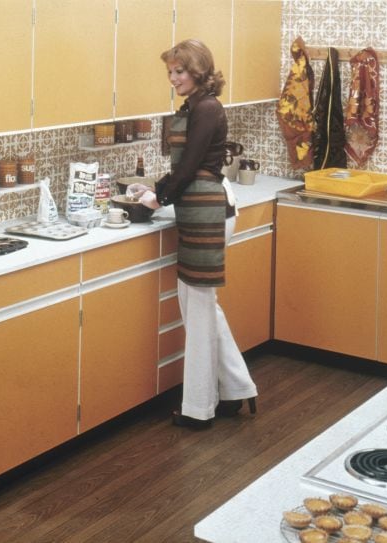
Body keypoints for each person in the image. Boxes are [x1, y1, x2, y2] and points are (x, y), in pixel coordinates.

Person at [127, 39, 257, 429]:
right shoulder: (196, 105)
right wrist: (155, 188)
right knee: (204, 307)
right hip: (203, 209)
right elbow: (185, 167)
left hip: (210, 212)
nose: (173, 78)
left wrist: (157, 197)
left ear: (198, 70)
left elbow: (189, 169)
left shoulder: (207, 108)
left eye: (179, 71)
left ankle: (199, 410)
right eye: (170, 72)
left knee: (197, 311)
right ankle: (238, 388)